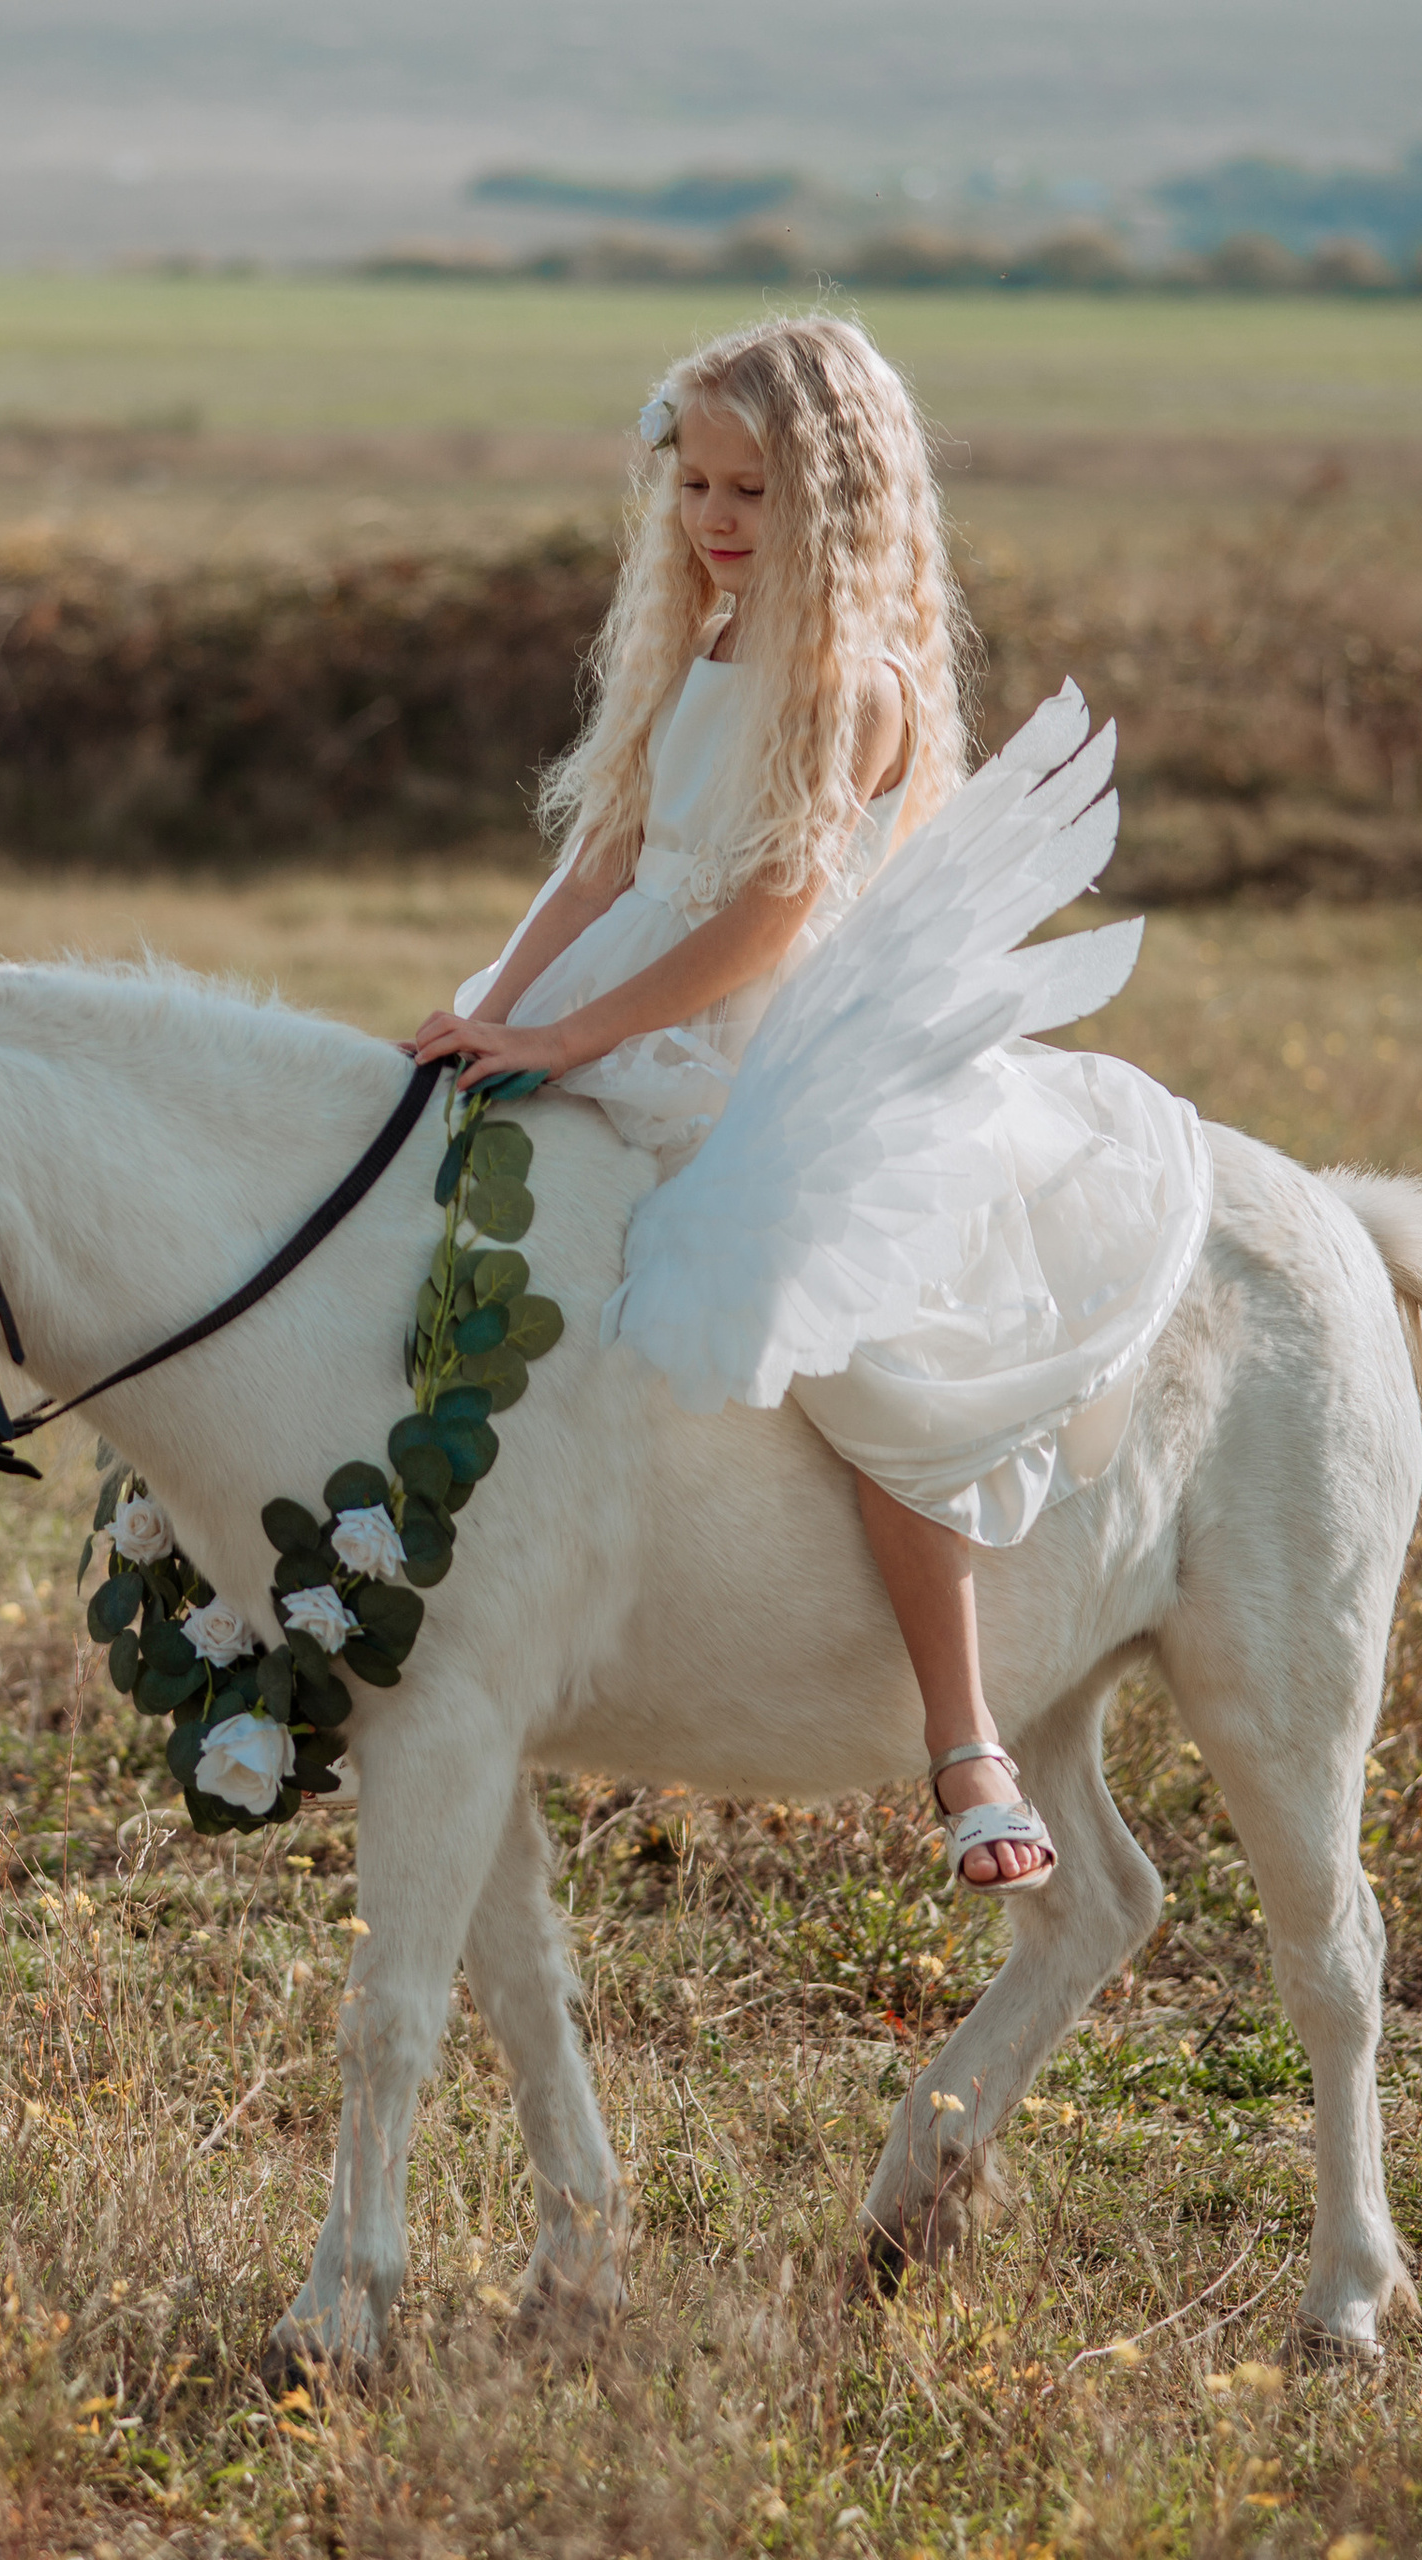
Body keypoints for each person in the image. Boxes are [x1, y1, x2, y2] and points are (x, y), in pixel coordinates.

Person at [409, 313, 1213, 1893]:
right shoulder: (698, 646)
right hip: (628, 989)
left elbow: (769, 914)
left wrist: (573, 1042)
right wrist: (492, 1011)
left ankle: (961, 1728)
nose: (715, 520)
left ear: (839, 497)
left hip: (772, 1038)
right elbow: (612, 860)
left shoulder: (854, 684)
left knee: (864, 1358)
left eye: (756, 491)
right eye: (695, 483)